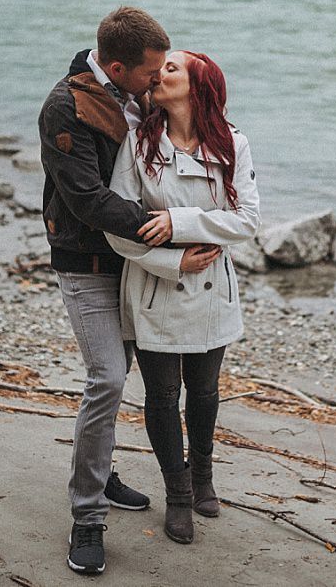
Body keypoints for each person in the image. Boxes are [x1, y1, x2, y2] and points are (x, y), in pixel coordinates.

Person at [39, 6, 175, 574]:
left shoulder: (136, 95)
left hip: (134, 263)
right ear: (117, 66)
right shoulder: (64, 107)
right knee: (108, 379)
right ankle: (86, 518)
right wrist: (171, 233)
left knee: (121, 380)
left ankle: (103, 471)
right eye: (150, 73)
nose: (158, 82)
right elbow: (89, 200)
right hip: (87, 263)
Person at [105, 50, 260, 544]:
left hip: (215, 291)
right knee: (163, 395)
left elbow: (248, 221)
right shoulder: (138, 142)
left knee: (206, 391)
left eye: (171, 68)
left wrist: (179, 221)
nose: (158, 73)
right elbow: (119, 229)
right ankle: (177, 496)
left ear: (198, 87)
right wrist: (173, 260)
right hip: (155, 289)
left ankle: (203, 477)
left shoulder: (233, 144)